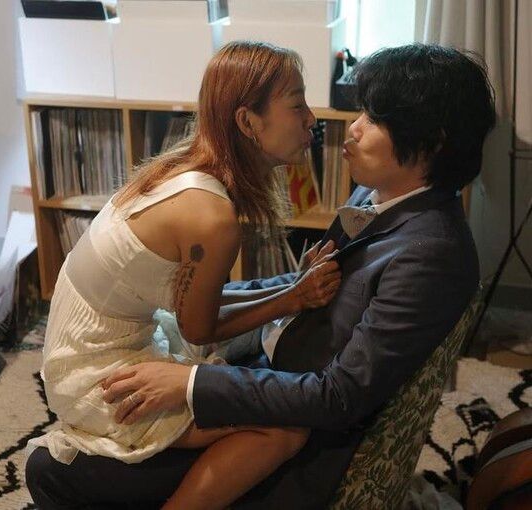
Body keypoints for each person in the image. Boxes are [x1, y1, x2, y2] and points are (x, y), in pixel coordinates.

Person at [26, 43, 496, 509]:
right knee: (59, 460)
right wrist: (279, 297)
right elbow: (301, 290)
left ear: (431, 143)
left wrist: (188, 383)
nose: (352, 127)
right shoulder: (376, 193)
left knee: (54, 472)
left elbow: (341, 397)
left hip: (301, 427)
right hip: (269, 368)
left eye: (374, 119)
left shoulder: (433, 255)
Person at [26, 40, 344, 510]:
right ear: (247, 122)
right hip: (96, 375)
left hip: (84, 348)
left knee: (245, 378)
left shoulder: (185, 167)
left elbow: (198, 308)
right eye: (297, 106)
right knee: (284, 429)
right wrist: (292, 298)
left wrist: (290, 290)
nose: (311, 119)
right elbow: (200, 329)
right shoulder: (211, 218)